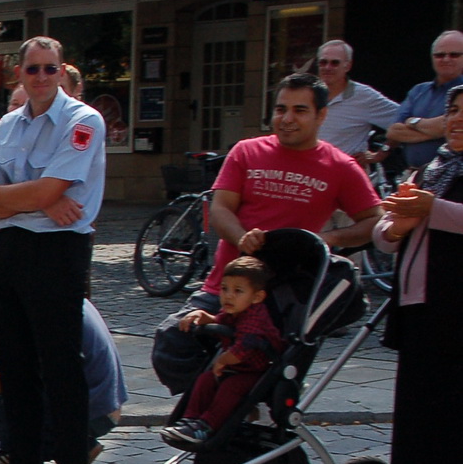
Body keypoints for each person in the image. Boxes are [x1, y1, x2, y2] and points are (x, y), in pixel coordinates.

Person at [157, 73, 381, 391]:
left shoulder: (340, 166)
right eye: (280, 109)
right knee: (172, 341)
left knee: (259, 360)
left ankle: (238, 401)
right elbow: (220, 210)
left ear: (321, 115)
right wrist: (241, 237)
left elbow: (374, 220)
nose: (287, 119)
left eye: (300, 110)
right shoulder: (246, 152)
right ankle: (213, 402)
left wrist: (329, 240)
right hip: (225, 287)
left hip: (278, 297)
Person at [0, 35, 107, 464]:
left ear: (63, 71)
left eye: (51, 68)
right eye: (33, 69)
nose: (42, 77)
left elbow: (47, 191)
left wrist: (15, 198)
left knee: (61, 368)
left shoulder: (83, 121)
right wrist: (30, 200)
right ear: (20, 74)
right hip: (8, 249)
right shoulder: (9, 123)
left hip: (58, 250)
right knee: (15, 366)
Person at [373, 82, 463, 464]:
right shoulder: (433, 166)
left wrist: (433, 208)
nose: (458, 119)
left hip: (457, 312)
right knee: (422, 410)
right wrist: (395, 227)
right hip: (420, 308)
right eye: (454, 111)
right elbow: (387, 234)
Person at [0, 298, 127, 464]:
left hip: (93, 412)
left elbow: (20, 379)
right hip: (106, 403)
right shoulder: (62, 296)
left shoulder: (41, 311)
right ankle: (11, 451)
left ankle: (78, 448)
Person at [161, 256, 282, 449]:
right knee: (205, 380)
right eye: (224, 289)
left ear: (257, 297)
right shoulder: (236, 309)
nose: (228, 296)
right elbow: (219, 320)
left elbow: (244, 348)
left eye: (238, 291)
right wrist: (202, 316)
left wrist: (222, 360)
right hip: (237, 368)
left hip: (257, 372)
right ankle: (189, 420)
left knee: (230, 388)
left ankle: (207, 425)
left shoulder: (256, 318)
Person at [314, 40, 402, 162]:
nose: (327, 67)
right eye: (323, 62)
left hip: (345, 171)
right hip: (311, 170)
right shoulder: (308, 93)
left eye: (335, 63)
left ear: (348, 66)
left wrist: (382, 153)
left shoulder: (364, 96)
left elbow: (402, 121)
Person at [389, 31, 463, 174]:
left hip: (451, 176)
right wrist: (438, 132)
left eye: (454, 55)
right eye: (439, 55)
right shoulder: (418, 91)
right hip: (413, 175)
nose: (446, 59)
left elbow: (446, 126)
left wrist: (412, 122)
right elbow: (393, 132)